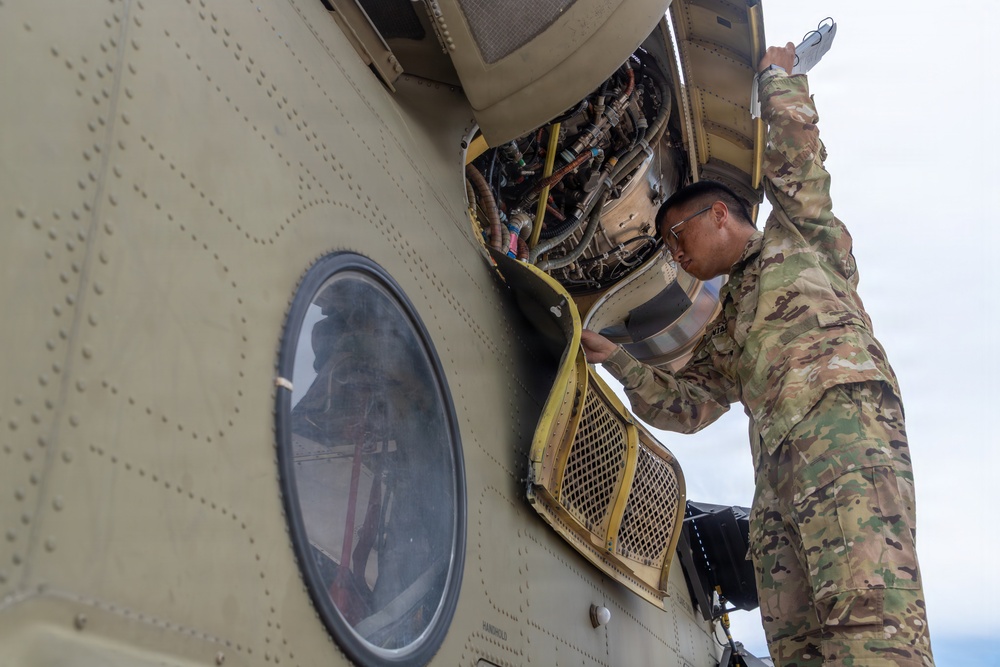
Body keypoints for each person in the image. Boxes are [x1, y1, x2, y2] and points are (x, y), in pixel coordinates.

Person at [581, 43, 934, 667]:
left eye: (676, 234)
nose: (673, 253)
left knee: (870, 627)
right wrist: (617, 359)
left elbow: (797, 163)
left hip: (841, 434)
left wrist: (777, 80)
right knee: (798, 644)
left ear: (719, 214)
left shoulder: (798, 238)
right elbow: (688, 405)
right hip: (776, 476)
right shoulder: (730, 324)